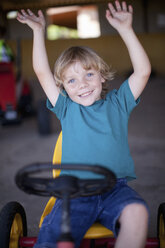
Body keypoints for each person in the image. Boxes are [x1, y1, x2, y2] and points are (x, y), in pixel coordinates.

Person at [17, 1, 151, 248]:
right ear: (64, 88)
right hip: (74, 193)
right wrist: (37, 31)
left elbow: (142, 71)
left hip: (115, 188)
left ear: (102, 76)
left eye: (89, 74)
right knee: (56, 234)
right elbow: (42, 72)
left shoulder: (119, 103)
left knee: (137, 212)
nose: (82, 84)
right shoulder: (66, 107)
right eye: (72, 80)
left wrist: (126, 29)